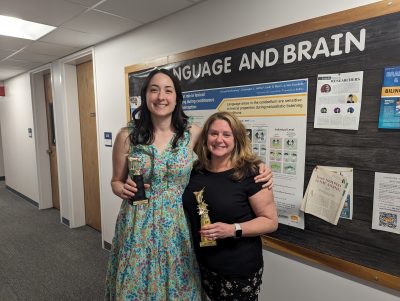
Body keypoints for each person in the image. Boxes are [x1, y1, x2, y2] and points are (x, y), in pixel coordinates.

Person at [105, 69, 273, 300]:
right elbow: (115, 181)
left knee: (178, 285)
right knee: (137, 284)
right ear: (145, 97)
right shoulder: (127, 136)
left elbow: (224, 150)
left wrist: (260, 166)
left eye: (168, 90)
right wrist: (119, 188)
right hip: (137, 224)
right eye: (154, 90)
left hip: (178, 225)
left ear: (177, 97)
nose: (161, 97)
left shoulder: (192, 133)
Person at [182, 111, 278, 301]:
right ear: (205, 137)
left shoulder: (252, 173)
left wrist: (233, 229)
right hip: (201, 264)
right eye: (213, 133)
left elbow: (270, 222)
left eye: (227, 134)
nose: (219, 140)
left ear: (237, 139)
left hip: (237, 270)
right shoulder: (195, 170)